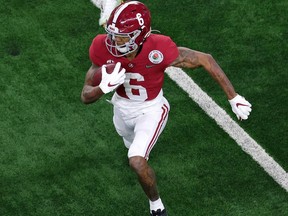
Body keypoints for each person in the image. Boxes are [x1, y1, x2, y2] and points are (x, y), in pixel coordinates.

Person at [81, 1, 252, 215]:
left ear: (140, 35)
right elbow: (85, 96)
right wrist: (102, 88)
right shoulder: (102, 46)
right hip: (121, 107)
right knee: (128, 141)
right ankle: (136, 147)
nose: (115, 41)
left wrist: (233, 97)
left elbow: (205, 59)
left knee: (136, 160)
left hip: (151, 109)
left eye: (123, 36)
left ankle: (156, 205)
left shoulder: (158, 48)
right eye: (113, 34)